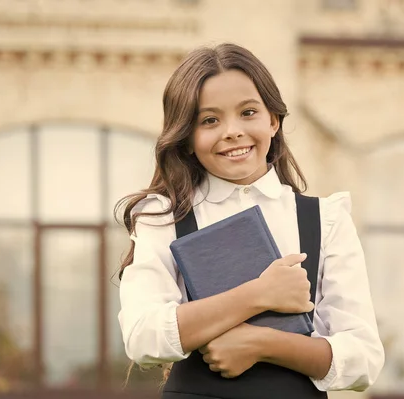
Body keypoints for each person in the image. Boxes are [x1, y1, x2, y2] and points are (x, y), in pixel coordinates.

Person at [116, 43, 384, 399]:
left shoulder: (326, 220)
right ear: (187, 138)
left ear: (273, 119)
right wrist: (259, 295)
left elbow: (363, 359)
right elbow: (142, 337)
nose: (232, 131)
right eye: (209, 120)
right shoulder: (163, 218)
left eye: (248, 112)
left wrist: (261, 343)